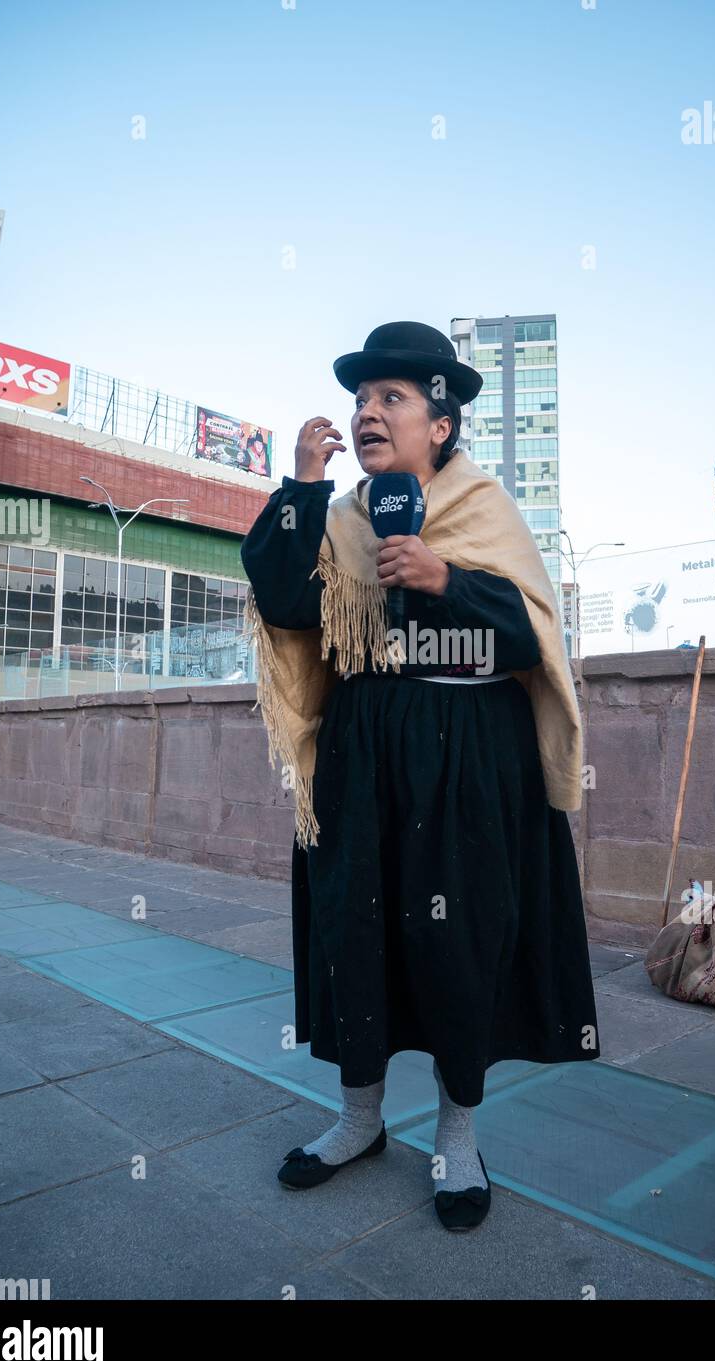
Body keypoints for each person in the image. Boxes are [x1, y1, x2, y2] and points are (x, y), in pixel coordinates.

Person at [241, 321, 600, 1231]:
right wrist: (302, 487)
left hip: (468, 752)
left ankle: (457, 1141)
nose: (367, 413)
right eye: (361, 400)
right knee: (350, 930)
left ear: (441, 423)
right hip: (364, 750)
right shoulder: (343, 517)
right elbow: (285, 604)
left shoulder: (482, 509)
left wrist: (446, 579)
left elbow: (528, 635)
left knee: (460, 942)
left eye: (390, 398)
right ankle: (360, 1122)